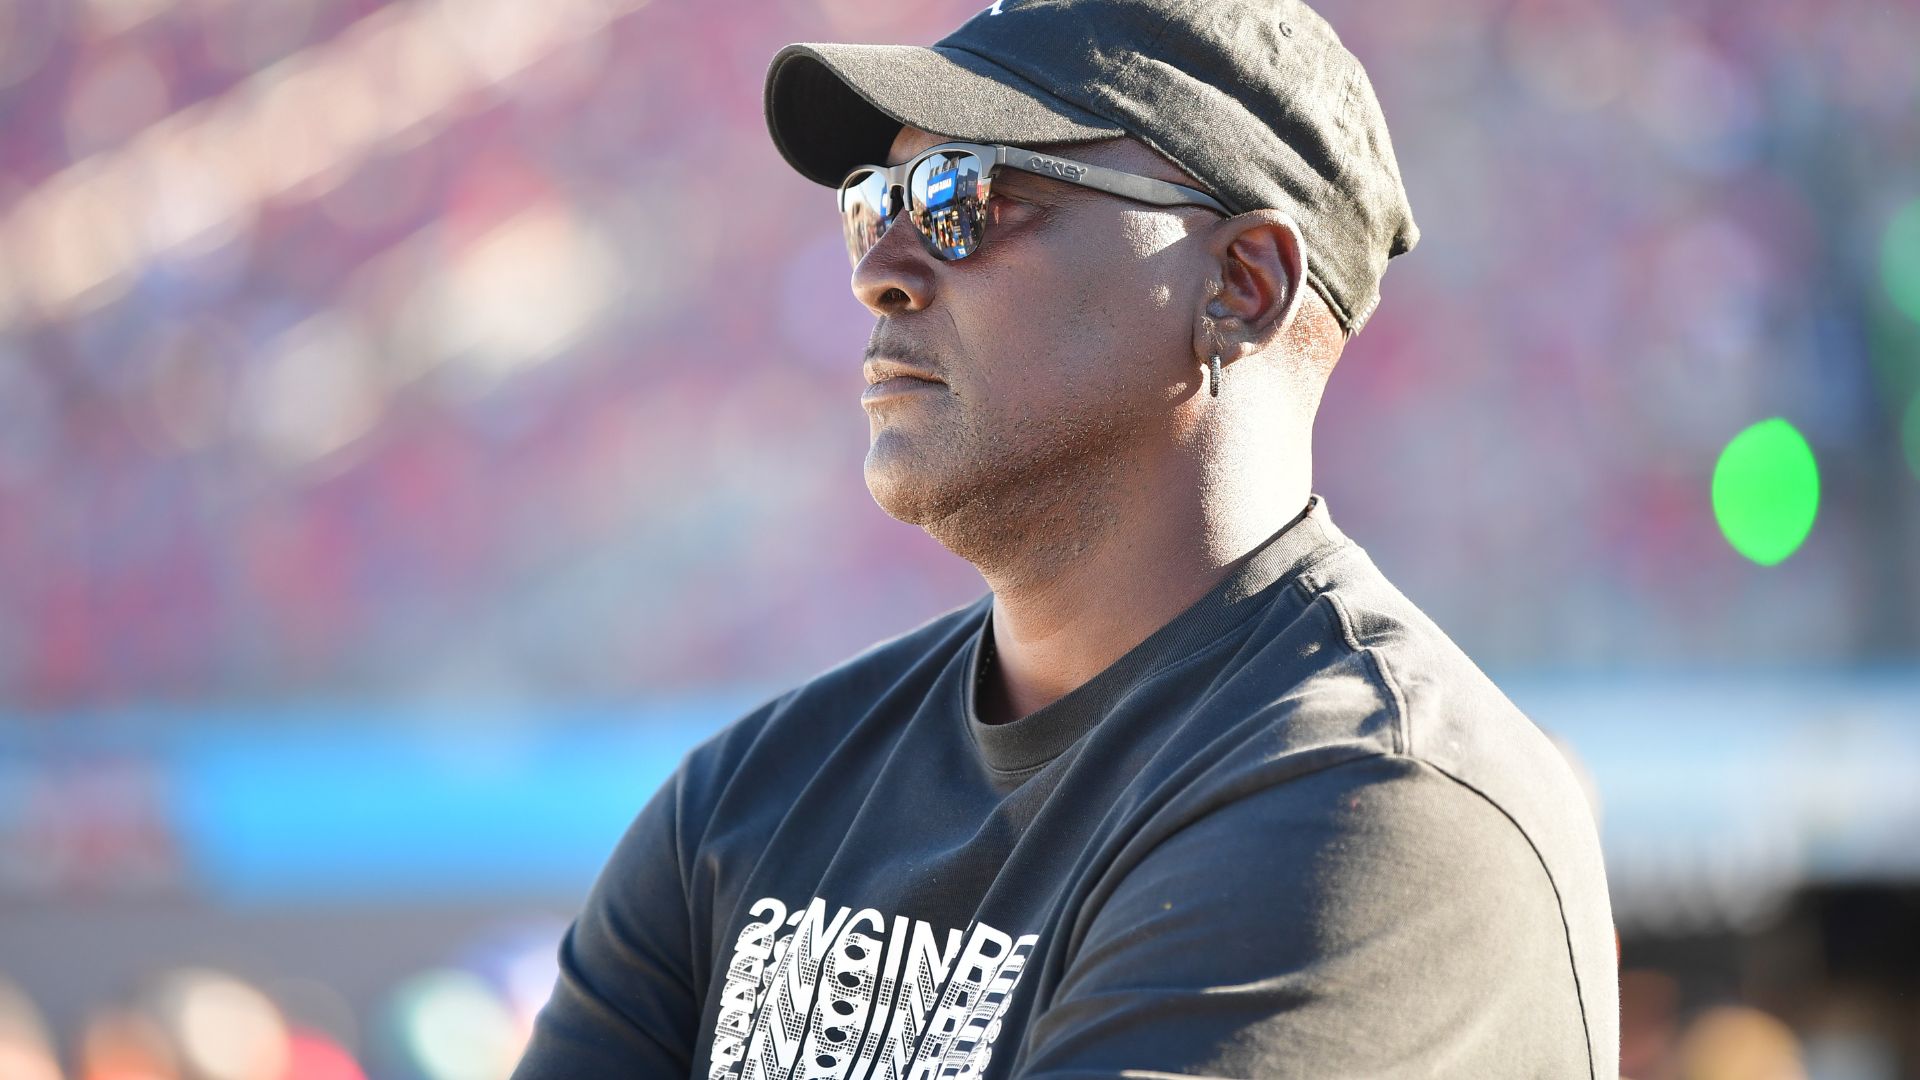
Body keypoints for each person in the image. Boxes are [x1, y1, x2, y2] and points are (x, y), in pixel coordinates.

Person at [514, 0, 1619, 1076]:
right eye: (875, 202)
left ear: (1243, 284)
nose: (877, 269)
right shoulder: (747, 800)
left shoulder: (1374, 805)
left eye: (965, 196)